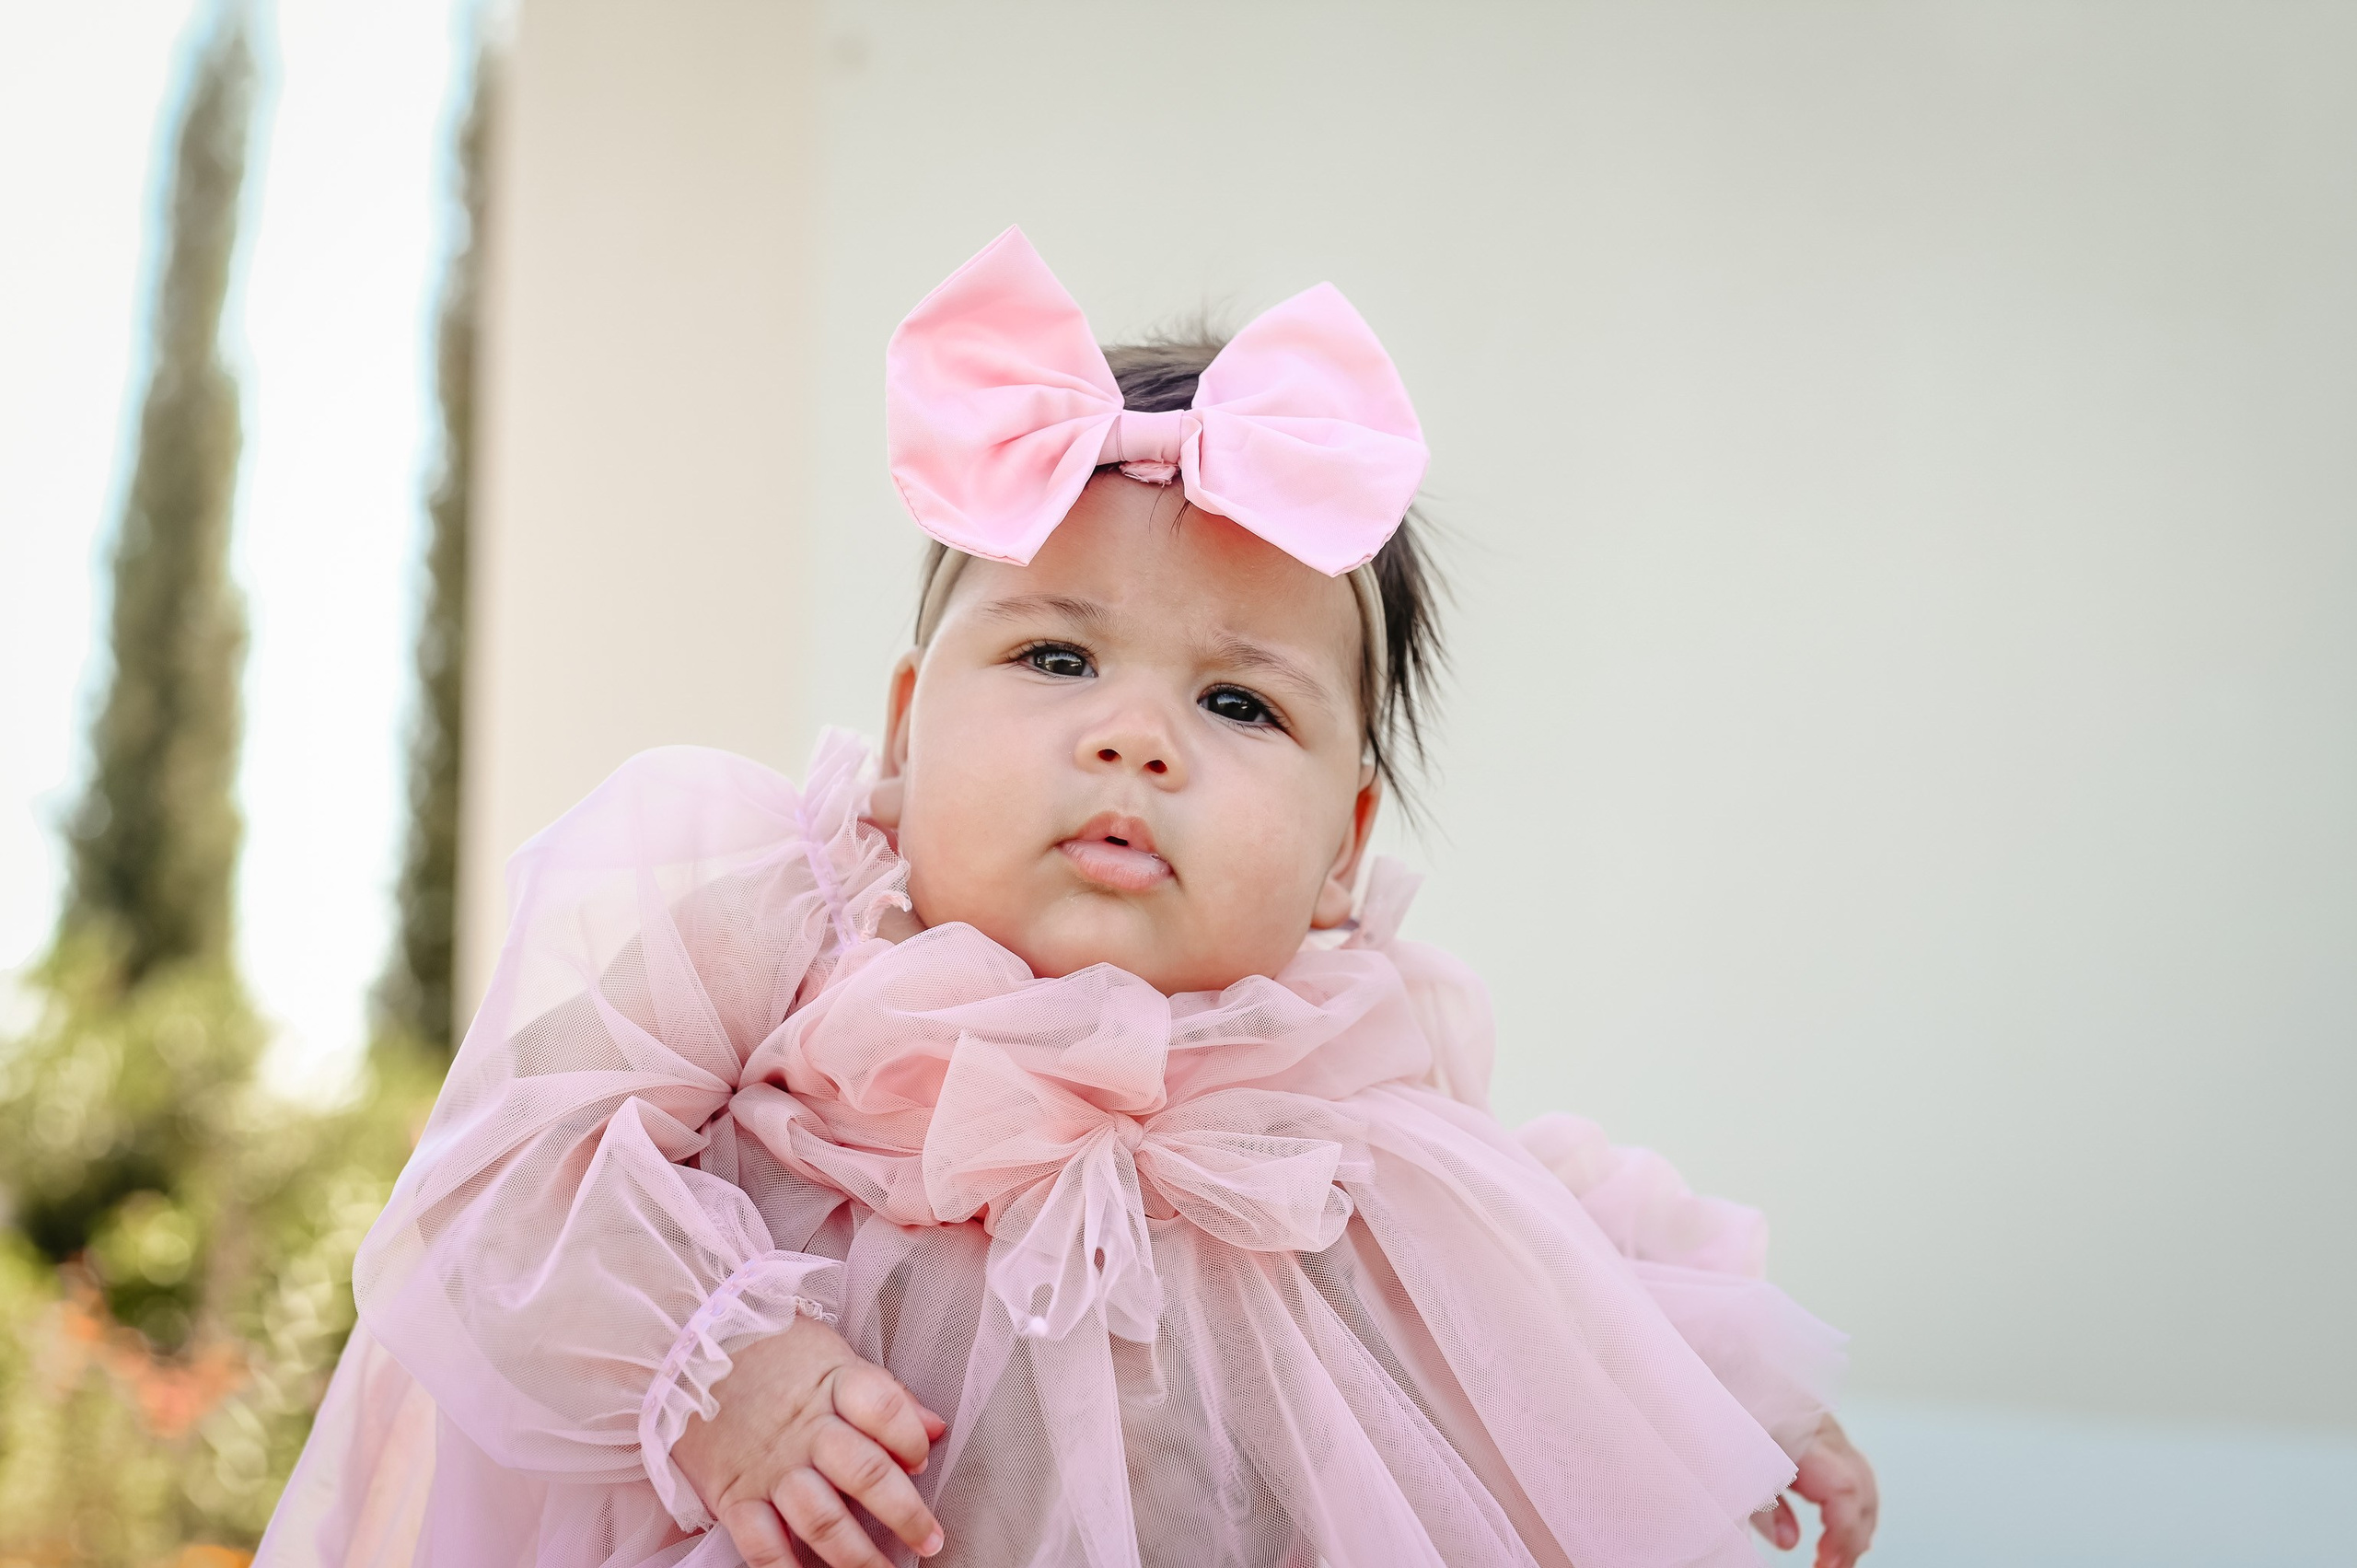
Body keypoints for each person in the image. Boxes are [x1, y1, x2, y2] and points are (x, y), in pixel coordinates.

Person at [259, 227, 1878, 1568]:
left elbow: (1545, 1239)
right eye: (1054, 655)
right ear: (903, 733)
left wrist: (1721, 1383)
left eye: (1239, 706)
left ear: (1343, 852)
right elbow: (508, 1164)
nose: (1131, 736)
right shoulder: (795, 926)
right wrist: (715, 1367)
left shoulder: (1352, 1051)